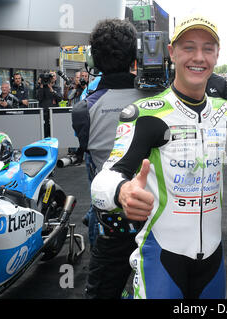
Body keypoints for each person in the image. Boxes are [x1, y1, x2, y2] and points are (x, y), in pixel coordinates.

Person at [90, 14, 227, 299]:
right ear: (172, 52)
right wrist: (122, 192)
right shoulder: (145, 113)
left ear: (217, 55)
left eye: (208, 48)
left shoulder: (226, 113)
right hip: (160, 259)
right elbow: (103, 181)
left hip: (213, 263)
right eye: (188, 47)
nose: (199, 57)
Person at [71, 18, 146, 299]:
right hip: (156, 217)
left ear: (94, 59)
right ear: (135, 55)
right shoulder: (160, 100)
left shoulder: (83, 110)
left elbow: (86, 147)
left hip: (111, 223)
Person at [36, 72, 62, 137]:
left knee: (54, 131)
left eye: (53, 76)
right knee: (44, 132)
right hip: (44, 113)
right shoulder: (41, 87)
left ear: (55, 78)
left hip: (54, 113)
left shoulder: (57, 88)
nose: (52, 77)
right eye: (51, 76)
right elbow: (39, 98)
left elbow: (60, 98)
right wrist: (41, 87)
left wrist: (52, 90)